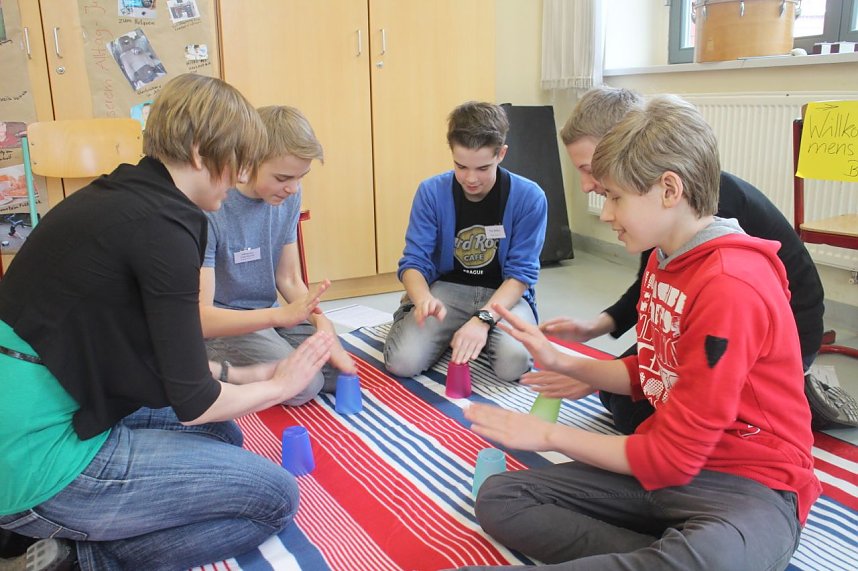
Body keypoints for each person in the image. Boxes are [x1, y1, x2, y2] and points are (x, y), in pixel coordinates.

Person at [460, 94, 821, 571]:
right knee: (502, 497)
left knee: (713, 557)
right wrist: (566, 361)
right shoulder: (662, 258)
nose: (605, 213)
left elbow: (671, 455)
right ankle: (663, 555)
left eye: (613, 197)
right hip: (666, 474)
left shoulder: (731, 285)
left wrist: (548, 434)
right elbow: (658, 369)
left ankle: (679, 553)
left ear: (669, 190)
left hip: (749, 483)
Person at [0, 74, 334, 571]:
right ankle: (82, 558)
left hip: (53, 405)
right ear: (201, 151)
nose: (241, 173)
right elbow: (195, 402)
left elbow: (145, 354)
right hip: (39, 462)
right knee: (275, 498)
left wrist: (245, 376)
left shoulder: (119, 194)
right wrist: (279, 385)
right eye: (238, 158)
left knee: (226, 436)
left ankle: (42, 532)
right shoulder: (170, 227)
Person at [532, 86, 825, 434]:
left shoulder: (704, 225)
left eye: (590, 168)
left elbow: (710, 320)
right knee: (619, 391)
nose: (584, 186)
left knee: (632, 410)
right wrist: (597, 328)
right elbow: (652, 287)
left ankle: (793, 389)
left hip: (773, 339)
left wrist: (560, 431)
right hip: (710, 327)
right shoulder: (655, 215)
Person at [201, 105, 356, 404]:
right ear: (248, 161)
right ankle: (213, 367)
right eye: (283, 177)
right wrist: (282, 317)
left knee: (340, 372)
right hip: (227, 325)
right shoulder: (213, 206)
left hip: (272, 315)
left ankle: (273, 357)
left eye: (301, 177)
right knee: (306, 385)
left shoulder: (290, 195)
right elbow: (203, 315)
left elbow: (288, 278)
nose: (293, 188)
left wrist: (323, 324)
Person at [383, 101, 547, 382]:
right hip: (447, 289)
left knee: (513, 366)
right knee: (402, 362)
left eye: (483, 168)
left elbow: (521, 274)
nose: (471, 179)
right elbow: (413, 262)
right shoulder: (431, 192)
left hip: (503, 295)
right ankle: (451, 330)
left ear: (502, 154)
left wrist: (483, 320)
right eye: (461, 166)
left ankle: (472, 333)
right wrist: (422, 300)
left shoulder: (529, 197)